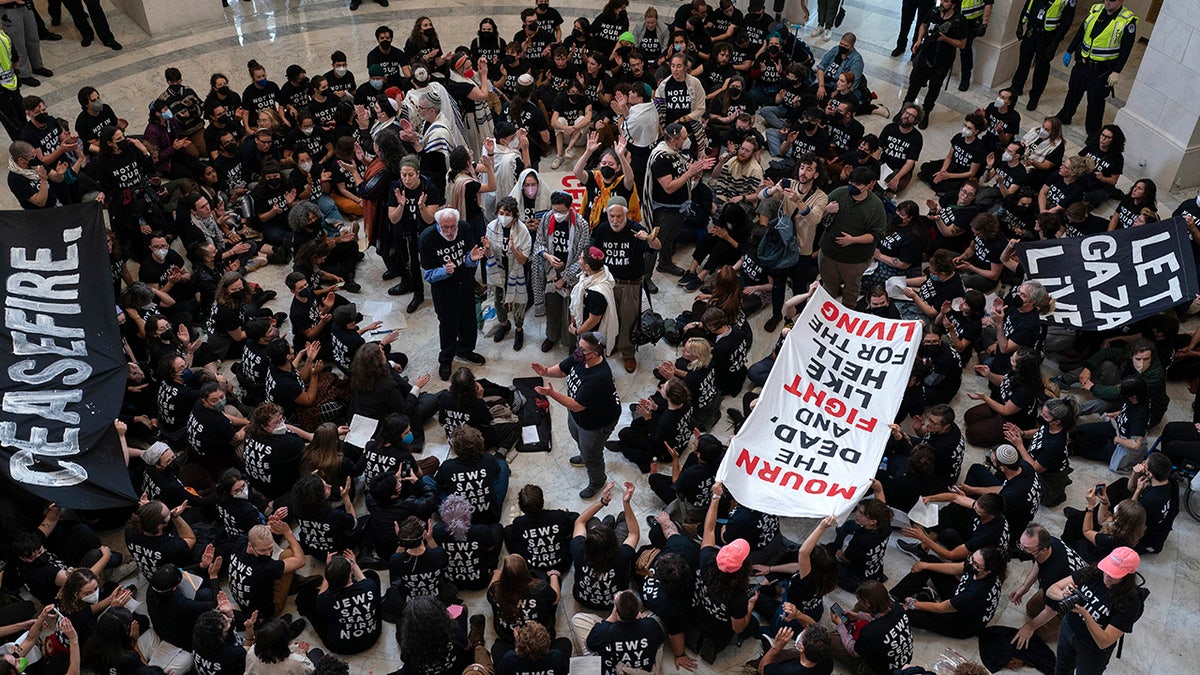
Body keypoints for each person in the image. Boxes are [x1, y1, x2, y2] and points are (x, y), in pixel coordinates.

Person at [532, 331, 621, 498]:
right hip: (579, 416)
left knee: (592, 455)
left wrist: (551, 393)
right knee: (576, 435)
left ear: (595, 354)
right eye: (579, 345)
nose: (578, 351)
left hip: (596, 423)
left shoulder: (599, 377)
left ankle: (597, 481)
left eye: (583, 349)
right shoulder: (582, 357)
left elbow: (577, 405)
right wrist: (546, 371)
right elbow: (563, 368)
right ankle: (584, 454)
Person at [1044, 547, 1146, 674]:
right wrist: (1064, 595)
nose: (1107, 575)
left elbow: (1104, 641)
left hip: (1093, 648)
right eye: (1107, 569)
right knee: (1061, 669)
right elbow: (1051, 590)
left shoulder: (1130, 602)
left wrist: (1085, 613)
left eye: (1114, 574)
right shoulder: (1093, 573)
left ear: (1127, 575)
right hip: (1068, 628)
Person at [589, 196, 660, 372]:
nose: (615, 220)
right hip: (607, 282)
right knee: (606, 317)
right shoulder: (602, 229)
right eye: (611, 216)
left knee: (628, 319)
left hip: (631, 284)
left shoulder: (636, 230)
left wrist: (648, 238)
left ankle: (627, 352)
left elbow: (657, 246)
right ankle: (608, 344)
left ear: (626, 215)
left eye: (619, 216)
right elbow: (592, 252)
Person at [420, 207, 488, 381]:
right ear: (438, 225)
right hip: (444, 290)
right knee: (448, 326)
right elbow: (428, 275)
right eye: (445, 227)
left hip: (464, 284)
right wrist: (444, 271)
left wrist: (471, 260)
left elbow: (468, 257)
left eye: (453, 226)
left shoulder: (464, 228)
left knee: (469, 321)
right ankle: (446, 359)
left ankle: (465, 350)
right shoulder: (427, 239)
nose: (450, 231)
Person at [1055, 0, 1138, 141]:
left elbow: (1126, 49)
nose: (1107, 3)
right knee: (1073, 92)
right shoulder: (1096, 9)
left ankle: (1093, 132)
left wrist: (1117, 71)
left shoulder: (1127, 20)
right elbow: (1082, 31)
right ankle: (1065, 116)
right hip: (1083, 63)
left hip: (1101, 70)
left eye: (1112, 1)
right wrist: (1070, 50)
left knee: (1095, 102)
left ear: (1120, 1)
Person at [890, 546, 1007, 639]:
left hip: (960, 623)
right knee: (930, 562)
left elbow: (942, 608)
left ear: (987, 571)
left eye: (976, 564)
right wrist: (925, 565)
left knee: (904, 613)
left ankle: (921, 598)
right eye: (971, 558)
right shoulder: (976, 565)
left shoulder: (976, 592)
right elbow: (954, 568)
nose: (970, 563)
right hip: (959, 595)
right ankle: (894, 596)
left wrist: (912, 604)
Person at [1008, 524, 1088, 651]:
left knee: (1042, 632)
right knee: (1032, 608)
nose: (1022, 550)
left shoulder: (1053, 575)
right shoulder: (1052, 543)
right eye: (1021, 545)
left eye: (1027, 548)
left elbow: (1051, 610)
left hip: (1079, 602)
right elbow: (1039, 562)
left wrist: (1030, 627)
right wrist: (1025, 586)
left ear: (1043, 549)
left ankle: (1070, 626)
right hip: (1064, 582)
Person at [817, 166, 886, 307]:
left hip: (855, 260)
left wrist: (853, 240)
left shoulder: (875, 206)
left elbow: (876, 235)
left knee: (851, 290)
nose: (853, 187)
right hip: (828, 253)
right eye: (851, 182)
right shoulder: (838, 193)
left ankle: (847, 312)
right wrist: (826, 210)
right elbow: (814, 215)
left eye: (858, 184)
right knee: (828, 287)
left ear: (868, 185)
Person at [296, 552, 382, 655]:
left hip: (340, 646)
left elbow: (320, 596)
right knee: (371, 575)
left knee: (305, 597)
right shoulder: (369, 587)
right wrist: (354, 563)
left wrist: (329, 568)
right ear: (350, 573)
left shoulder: (324, 600)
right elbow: (363, 580)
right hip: (371, 637)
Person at [903, 0, 968, 126]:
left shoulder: (959, 21)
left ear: (953, 4)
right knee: (914, 85)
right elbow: (923, 24)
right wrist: (918, 40)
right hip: (925, 56)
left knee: (933, 89)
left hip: (942, 62)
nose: (942, 2)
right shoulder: (934, 11)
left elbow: (962, 43)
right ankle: (905, 109)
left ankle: (925, 112)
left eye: (946, 1)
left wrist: (945, 39)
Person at [829, 580, 914, 675]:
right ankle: (849, 622)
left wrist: (841, 626)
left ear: (868, 603)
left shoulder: (870, 632)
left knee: (830, 639)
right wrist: (858, 615)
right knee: (859, 607)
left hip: (881, 671)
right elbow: (883, 619)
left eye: (861, 600)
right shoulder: (898, 608)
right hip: (902, 660)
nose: (860, 602)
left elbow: (853, 650)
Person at [1004, 397, 1077, 506]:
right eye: (1042, 412)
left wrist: (1019, 445)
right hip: (1038, 460)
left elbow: (1035, 468)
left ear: (1057, 422)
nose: (1041, 416)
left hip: (1047, 481)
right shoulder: (1051, 425)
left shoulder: (1056, 444)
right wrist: (1022, 433)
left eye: (1045, 416)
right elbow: (1040, 431)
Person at [1012, 0, 1078, 111]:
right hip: (1031, 30)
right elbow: (1028, 4)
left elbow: (1066, 22)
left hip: (1047, 37)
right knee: (1024, 61)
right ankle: (1016, 86)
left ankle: (1034, 97)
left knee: (1041, 68)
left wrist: (1054, 43)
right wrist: (1020, 23)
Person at [486, 196, 532, 351]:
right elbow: (489, 254)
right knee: (499, 301)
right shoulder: (492, 226)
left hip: (517, 271)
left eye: (508, 214)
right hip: (499, 271)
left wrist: (513, 249)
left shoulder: (522, 231)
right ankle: (504, 325)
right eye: (501, 213)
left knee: (519, 302)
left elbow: (524, 259)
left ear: (514, 215)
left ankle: (519, 330)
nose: (503, 217)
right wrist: (486, 248)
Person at [504, 485, 578, 574]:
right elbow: (576, 518)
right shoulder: (558, 516)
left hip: (533, 567)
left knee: (508, 531)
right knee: (569, 525)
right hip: (561, 564)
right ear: (542, 502)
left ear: (521, 507)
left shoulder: (519, 522)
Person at [758, 624, 834, 675]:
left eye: (801, 635)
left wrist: (776, 647)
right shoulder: (827, 656)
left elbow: (762, 670)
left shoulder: (787, 670)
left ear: (801, 647)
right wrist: (798, 614)